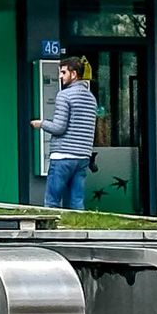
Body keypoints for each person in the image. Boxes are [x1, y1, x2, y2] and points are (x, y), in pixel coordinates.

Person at [32, 56, 97, 210]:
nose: (60, 76)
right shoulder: (91, 98)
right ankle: (78, 231)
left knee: (52, 201)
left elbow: (59, 128)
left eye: (63, 72)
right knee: (77, 202)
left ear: (73, 74)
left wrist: (41, 124)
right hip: (82, 156)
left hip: (63, 156)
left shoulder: (64, 95)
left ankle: (50, 231)